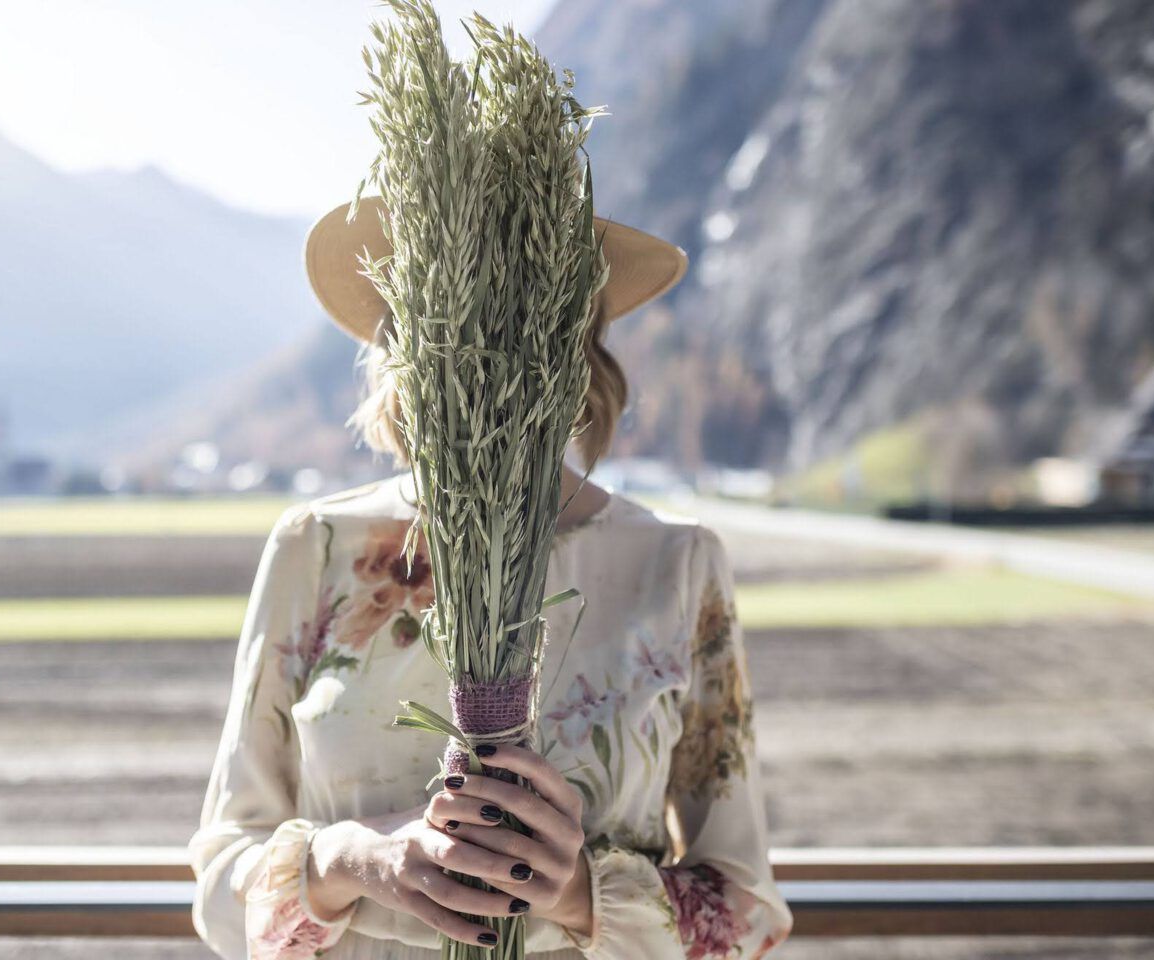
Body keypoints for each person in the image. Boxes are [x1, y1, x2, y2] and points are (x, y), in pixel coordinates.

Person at [187, 196, 794, 959]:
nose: (485, 342)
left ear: (577, 338)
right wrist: (348, 861)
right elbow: (218, 896)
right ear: (401, 338)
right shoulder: (316, 548)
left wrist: (577, 894)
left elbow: (746, 910)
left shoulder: (677, 565)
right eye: (450, 304)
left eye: (520, 305)